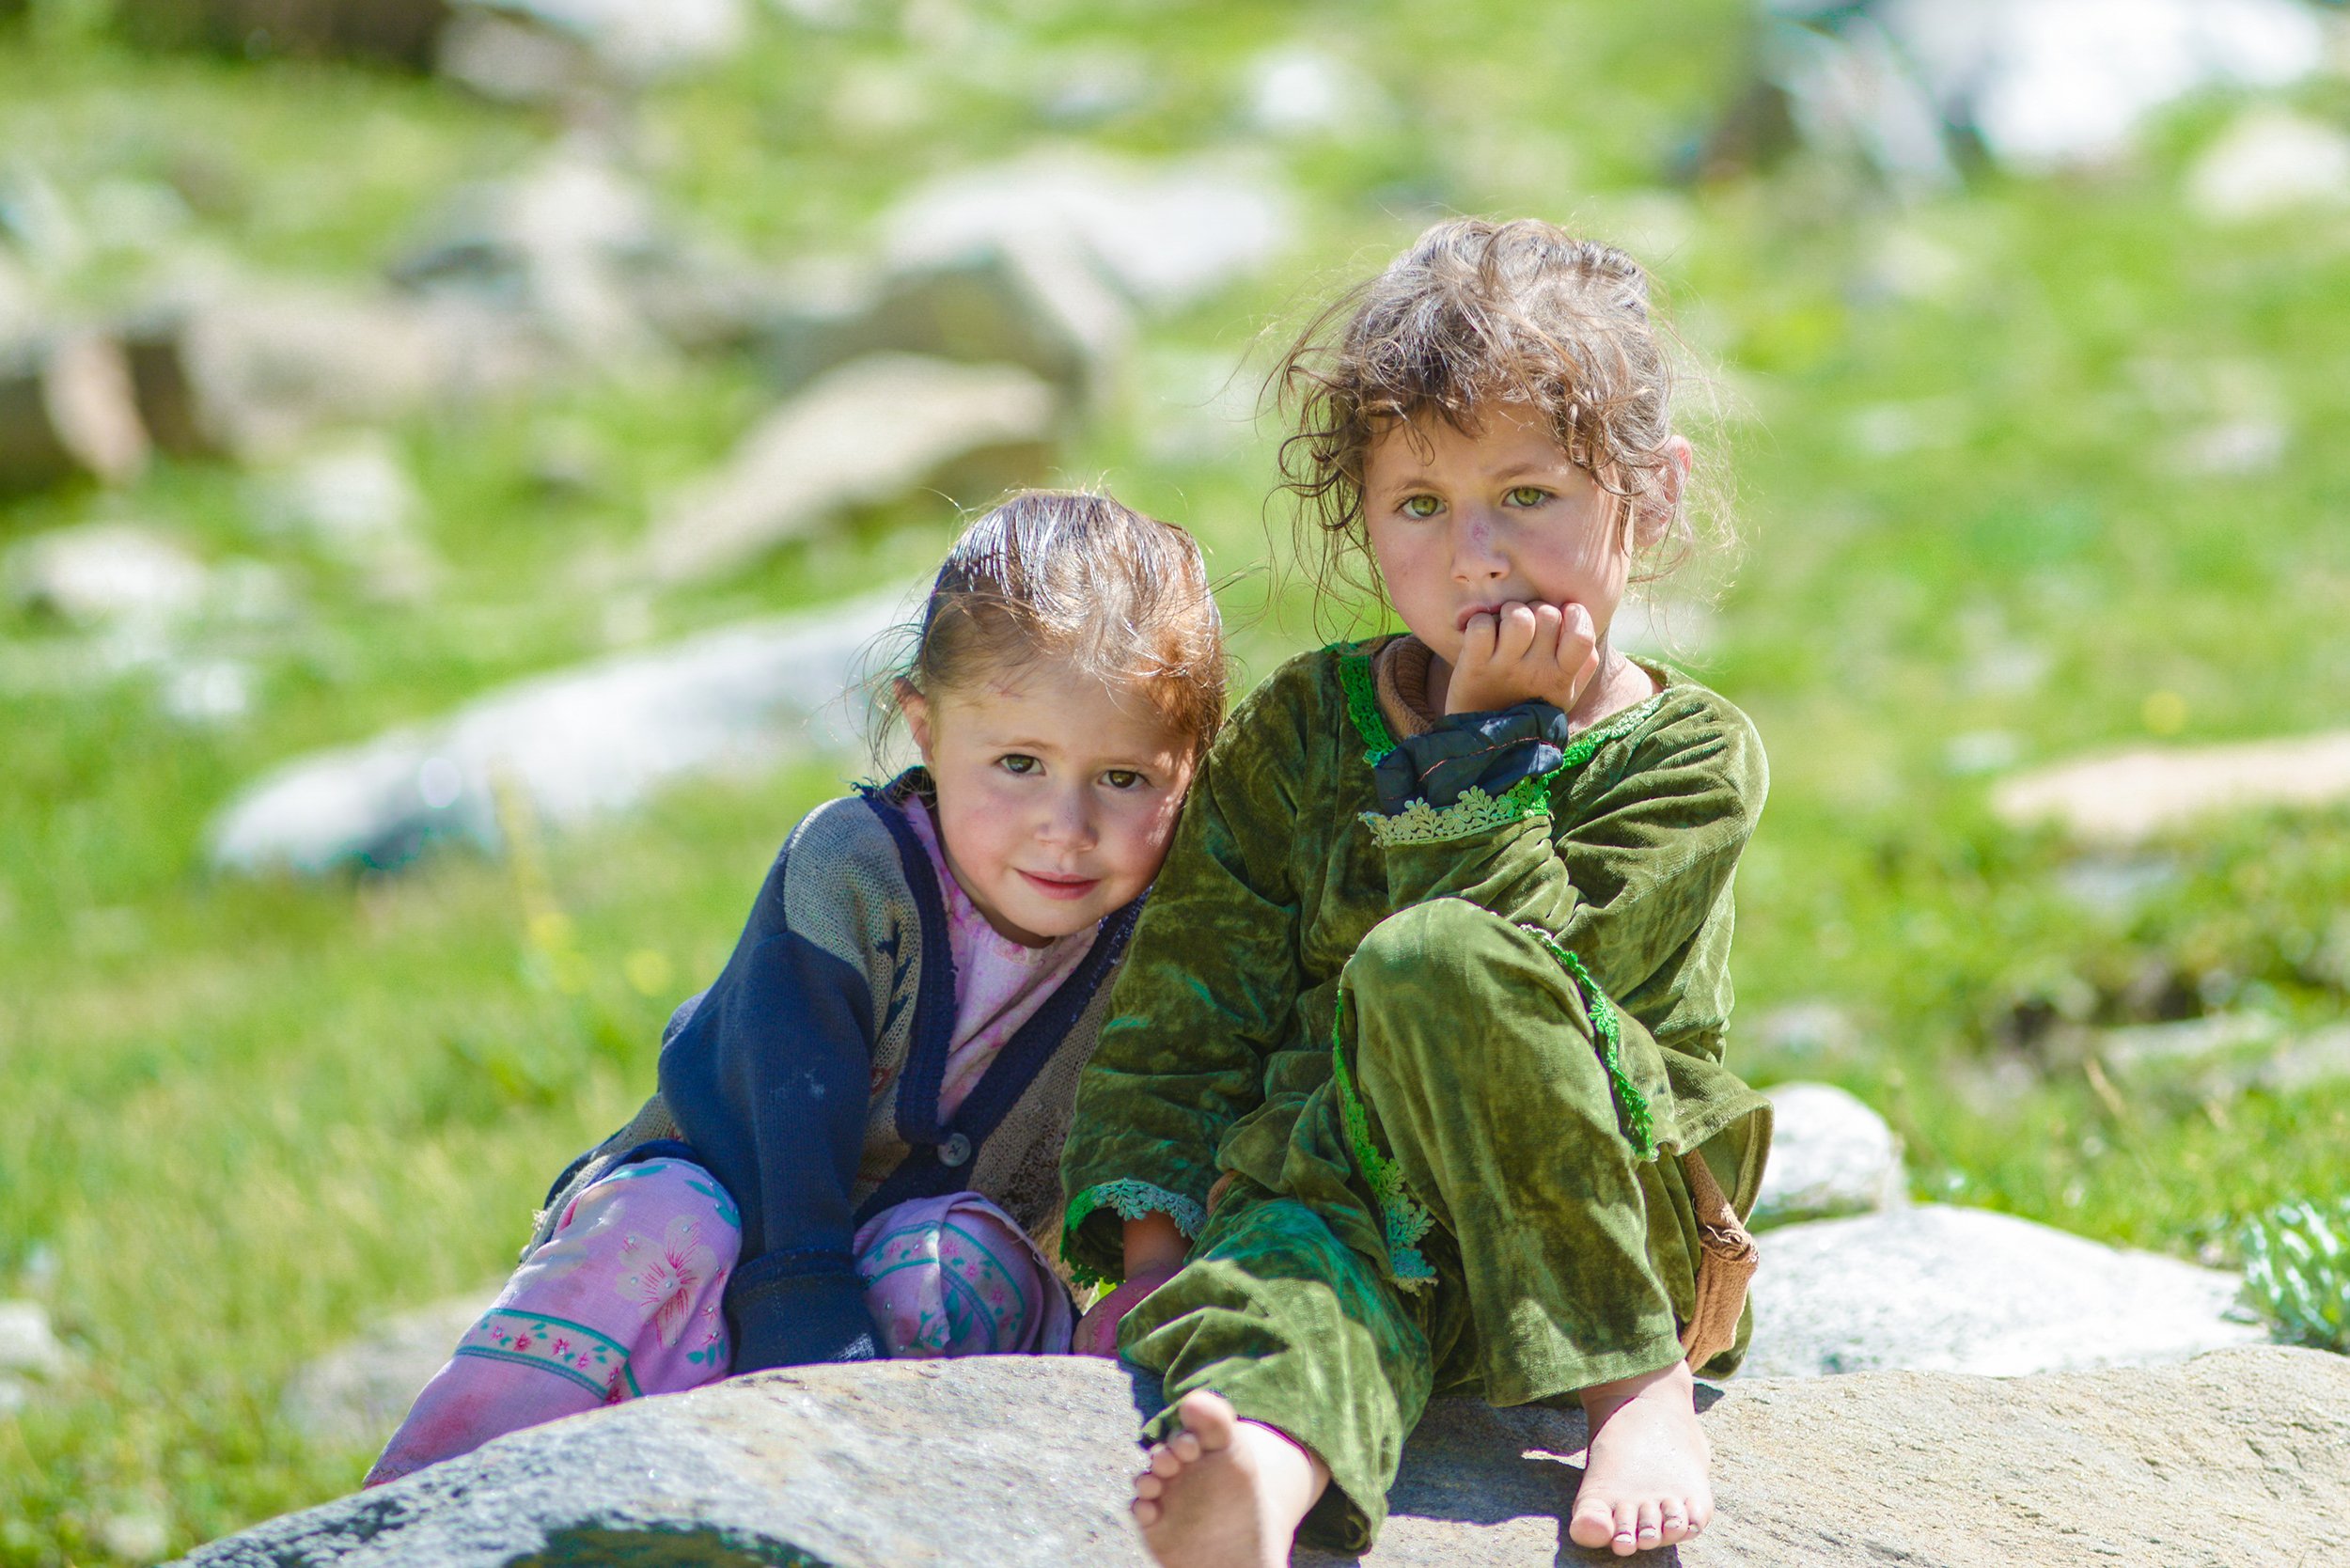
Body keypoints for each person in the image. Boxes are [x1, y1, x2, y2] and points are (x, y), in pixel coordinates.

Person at [1058, 218, 1772, 1565]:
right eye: (1422, 507)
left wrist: (1479, 760)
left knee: (1429, 962)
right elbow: (1191, 998)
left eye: (1529, 496)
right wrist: (1150, 1252)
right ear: (1367, 517)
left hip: (1600, 1209)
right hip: (1351, 1197)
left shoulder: (1688, 754)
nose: (1475, 554)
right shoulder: (1308, 725)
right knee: (1294, 1276)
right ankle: (1252, 1491)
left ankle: (1639, 1394)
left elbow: (1545, 990)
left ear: (1652, 497)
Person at [368, 491, 1227, 1486]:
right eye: (1019, 763)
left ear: (1191, 768)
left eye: (1122, 779)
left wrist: (1152, 1274)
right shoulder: (850, 873)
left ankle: (901, 1522)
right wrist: (806, 1315)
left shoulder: (1165, 936)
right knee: (666, 1224)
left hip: (915, 1270)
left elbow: (1165, 1111)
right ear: (924, 728)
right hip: (738, 1209)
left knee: (948, 1257)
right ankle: (433, 1508)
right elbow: (778, 1107)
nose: (1065, 826)